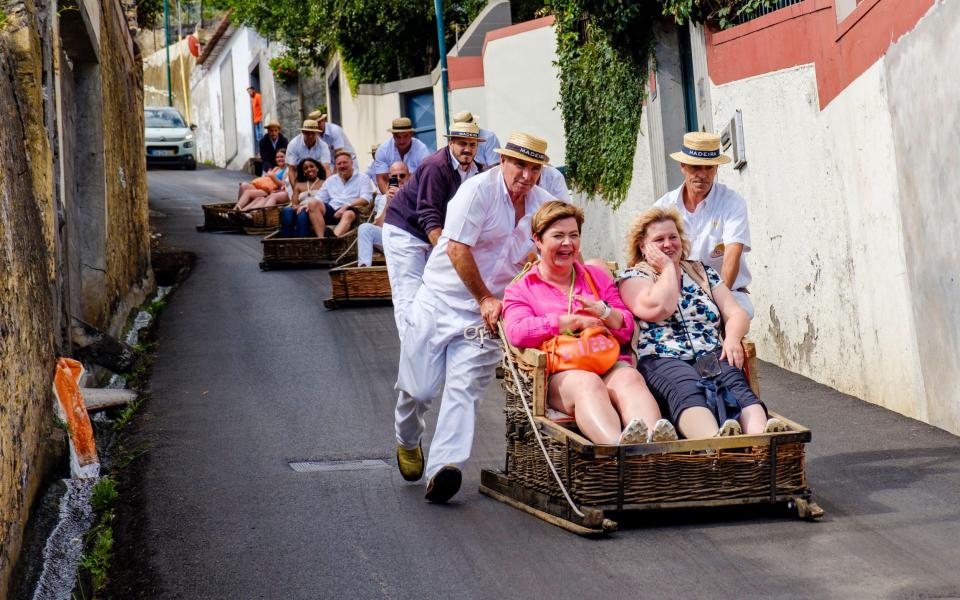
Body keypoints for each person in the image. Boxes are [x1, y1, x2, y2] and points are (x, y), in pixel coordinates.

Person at [393, 132, 555, 504]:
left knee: (464, 391)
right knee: (417, 391)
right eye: (520, 165)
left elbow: (552, 249)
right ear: (503, 161)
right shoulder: (476, 191)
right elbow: (456, 248)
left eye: (534, 168)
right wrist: (483, 296)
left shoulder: (545, 205)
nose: (526, 175)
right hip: (440, 301)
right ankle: (406, 438)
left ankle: (444, 469)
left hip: (488, 315)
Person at [502, 202, 676, 445]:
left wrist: (604, 313)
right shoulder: (522, 288)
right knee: (588, 383)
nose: (567, 243)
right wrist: (570, 321)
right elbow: (517, 333)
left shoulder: (595, 277)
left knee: (630, 379)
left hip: (603, 359)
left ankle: (652, 444)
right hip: (561, 371)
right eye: (558, 236)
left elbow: (626, 328)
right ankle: (617, 448)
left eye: (574, 235)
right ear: (538, 240)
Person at [616, 207, 786, 439]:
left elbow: (736, 313)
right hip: (662, 358)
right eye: (659, 240)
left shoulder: (701, 272)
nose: (668, 244)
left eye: (673, 237)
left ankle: (763, 441)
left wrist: (733, 338)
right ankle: (715, 445)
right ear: (643, 247)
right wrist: (667, 268)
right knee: (687, 389)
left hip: (709, 353)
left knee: (736, 386)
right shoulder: (633, 278)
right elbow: (658, 308)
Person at [382, 121, 485, 340]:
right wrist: (448, 254)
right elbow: (428, 213)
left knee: (432, 295)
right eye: (462, 143)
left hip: (433, 234)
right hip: (405, 231)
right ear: (450, 143)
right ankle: (410, 357)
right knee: (409, 297)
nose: (467, 149)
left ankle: (429, 350)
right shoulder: (435, 166)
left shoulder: (478, 170)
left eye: (472, 144)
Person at [654, 132, 754, 318]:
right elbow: (649, 256)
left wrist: (715, 301)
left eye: (708, 167)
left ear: (716, 168)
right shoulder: (663, 208)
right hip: (676, 294)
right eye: (695, 167)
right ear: (682, 166)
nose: (702, 174)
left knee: (737, 315)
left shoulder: (732, 202)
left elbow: (733, 253)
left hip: (727, 291)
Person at [294, 150, 374, 238]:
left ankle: (333, 238)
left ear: (351, 163)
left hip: (351, 209)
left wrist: (346, 206)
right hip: (332, 210)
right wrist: (307, 205)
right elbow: (319, 198)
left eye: (345, 162)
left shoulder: (363, 178)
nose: (342, 166)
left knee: (348, 214)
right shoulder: (331, 180)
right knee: (313, 203)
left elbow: (365, 199)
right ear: (336, 166)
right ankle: (322, 239)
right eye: (339, 164)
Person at [357, 161, 409, 267]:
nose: (398, 179)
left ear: (409, 177)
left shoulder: (415, 194)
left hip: (408, 239)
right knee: (365, 228)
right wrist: (388, 203)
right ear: (390, 178)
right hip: (390, 239)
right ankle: (364, 267)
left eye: (402, 175)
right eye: (395, 177)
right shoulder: (385, 197)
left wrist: (402, 198)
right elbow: (380, 226)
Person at [372, 117, 431, 193]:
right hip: (389, 194)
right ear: (393, 135)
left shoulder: (422, 150)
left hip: (414, 195)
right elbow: (382, 178)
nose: (401, 141)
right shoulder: (383, 150)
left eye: (405, 136)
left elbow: (425, 177)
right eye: (398, 136)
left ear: (411, 134)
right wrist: (389, 197)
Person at [279, 158, 325, 237]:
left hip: (314, 210)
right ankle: (287, 241)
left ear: (317, 168)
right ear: (303, 172)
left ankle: (301, 242)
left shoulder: (324, 183)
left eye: (311, 166)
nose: (309, 169)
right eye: (306, 168)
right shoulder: (299, 185)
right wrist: (297, 207)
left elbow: (325, 201)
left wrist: (305, 207)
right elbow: (294, 203)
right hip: (299, 208)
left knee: (303, 214)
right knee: (286, 210)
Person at [285, 120, 332, 188]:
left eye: (313, 133)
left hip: (318, 178)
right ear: (303, 132)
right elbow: (292, 170)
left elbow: (326, 169)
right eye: (307, 133)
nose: (310, 136)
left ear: (317, 133)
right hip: (298, 177)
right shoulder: (293, 144)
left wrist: (327, 188)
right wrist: (296, 189)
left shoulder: (323, 146)